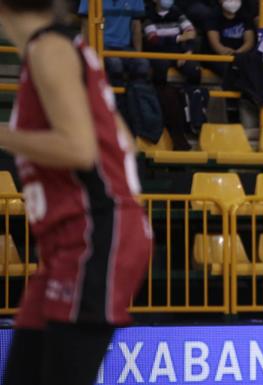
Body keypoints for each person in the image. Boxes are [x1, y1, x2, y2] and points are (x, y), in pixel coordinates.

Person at [0, 1, 151, 384]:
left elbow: (80, 149)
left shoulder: (50, 50)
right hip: (69, 241)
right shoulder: (63, 48)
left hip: (96, 236)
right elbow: (124, 144)